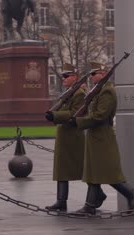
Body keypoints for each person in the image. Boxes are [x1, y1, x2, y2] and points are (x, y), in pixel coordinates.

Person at [69, 61, 134, 215]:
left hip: (103, 136)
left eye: (94, 74)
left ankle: (130, 193)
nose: (91, 76)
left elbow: (100, 115)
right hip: (95, 136)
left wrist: (79, 121)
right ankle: (91, 205)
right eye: (91, 74)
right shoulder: (99, 90)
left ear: (103, 73)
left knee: (107, 172)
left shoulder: (107, 91)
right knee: (95, 172)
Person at [44, 63, 106, 211]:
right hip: (64, 135)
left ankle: (98, 194)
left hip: (74, 137)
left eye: (66, 76)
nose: (63, 79)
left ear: (75, 77)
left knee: (83, 171)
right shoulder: (69, 92)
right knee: (61, 171)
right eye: (62, 76)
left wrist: (55, 115)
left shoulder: (78, 94)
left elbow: (75, 113)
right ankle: (61, 201)